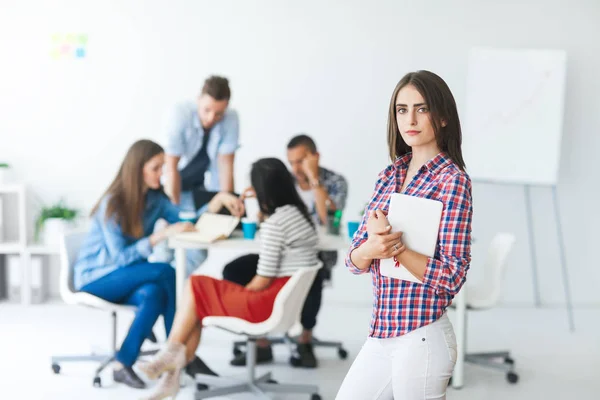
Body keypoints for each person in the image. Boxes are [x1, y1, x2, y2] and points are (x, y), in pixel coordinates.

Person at [335, 71, 473, 400]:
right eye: (401, 109)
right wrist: (371, 247)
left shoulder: (452, 181)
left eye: (421, 109)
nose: (409, 119)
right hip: (382, 331)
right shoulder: (389, 174)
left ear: (441, 118)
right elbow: (354, 261)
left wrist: (395, 248)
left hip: (422, 336)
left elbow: (452, 275)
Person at [138, 158, 321, 400]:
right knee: (198, 299)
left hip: (266, 304)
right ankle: (171, 375)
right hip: (282, 300)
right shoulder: (297, 214)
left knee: (195, 285)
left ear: (263, 190)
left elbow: (262, 280)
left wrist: (236, 294)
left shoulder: (276, 224)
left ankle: (170, 358)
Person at [73, 140, 196, 389]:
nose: (162, 173)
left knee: (154, 293)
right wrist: (157, 237)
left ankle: (122, 364)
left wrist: (215, 205)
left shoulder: (156, 199)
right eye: (156, 167)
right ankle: (176, 351)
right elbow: (119, 259)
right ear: (138, 168)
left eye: (163, 167)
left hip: (126, 276)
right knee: (165, 272)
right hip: (96, 278)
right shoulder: (114, 203)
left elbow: (185, 220)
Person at [222, 134, 348, 368]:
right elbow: (271, 222)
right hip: (281, 250)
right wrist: (260, 201)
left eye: (300, 161)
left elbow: (326, 218)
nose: (295, 168)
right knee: (235, 269)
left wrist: (313, 179)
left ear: (314, 157)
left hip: (317, 253)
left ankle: (304, 340)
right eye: (291, 162)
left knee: (312, 272)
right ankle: (260, 343)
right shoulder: (283, 180)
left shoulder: (335, 182)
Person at [160, 75, 240, 275]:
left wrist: (226, 206)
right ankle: (162, 286)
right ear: (198, 99)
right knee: (167, 246)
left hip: (197, 190)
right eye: (207, 110)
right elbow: (171, 167)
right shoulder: (179, 113)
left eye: (219, 113)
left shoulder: (231, 118)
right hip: (171, 189)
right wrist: (173, 212)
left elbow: (226, 165)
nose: (211, 118)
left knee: (197, 250)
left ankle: (174, 289)